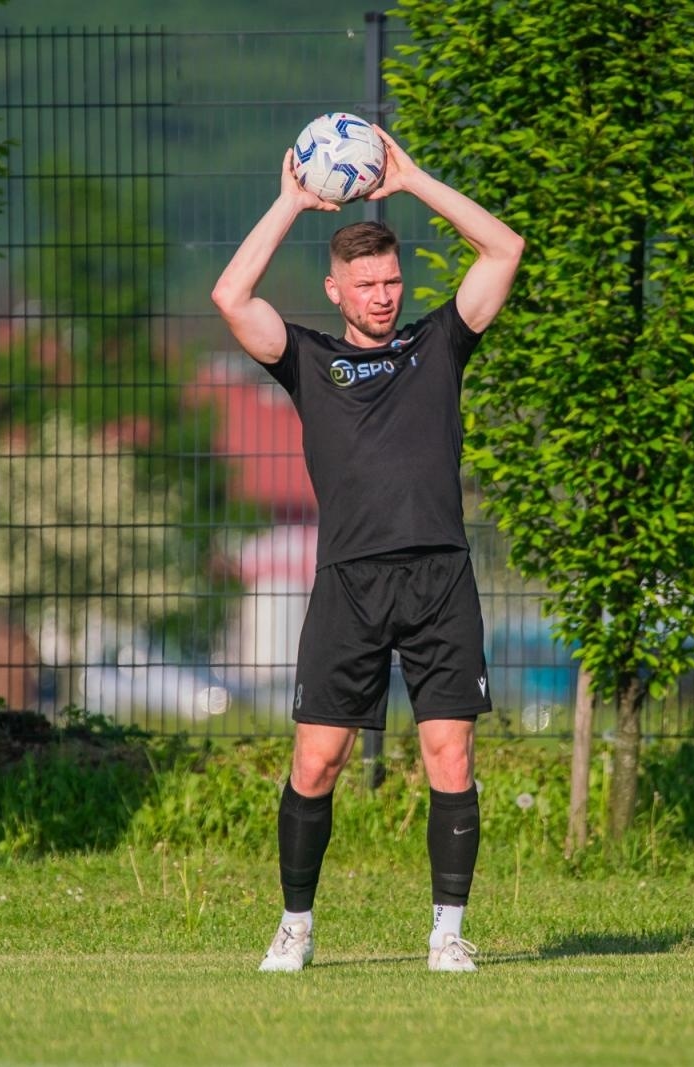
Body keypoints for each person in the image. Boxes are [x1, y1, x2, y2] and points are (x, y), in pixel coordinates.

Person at [211, 125, 524, 973]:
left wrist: (414, 180)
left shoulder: (437, 344)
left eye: (390, 281)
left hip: (438, 577)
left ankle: (447, 931)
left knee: (449, 753)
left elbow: (504, 248)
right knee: (318, 760)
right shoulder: (307, 361)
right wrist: (289, 201)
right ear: (337, 290)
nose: (384, 296)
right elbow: (232, 297)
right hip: (348, 582)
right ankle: (296, 926)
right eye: (366, 284)